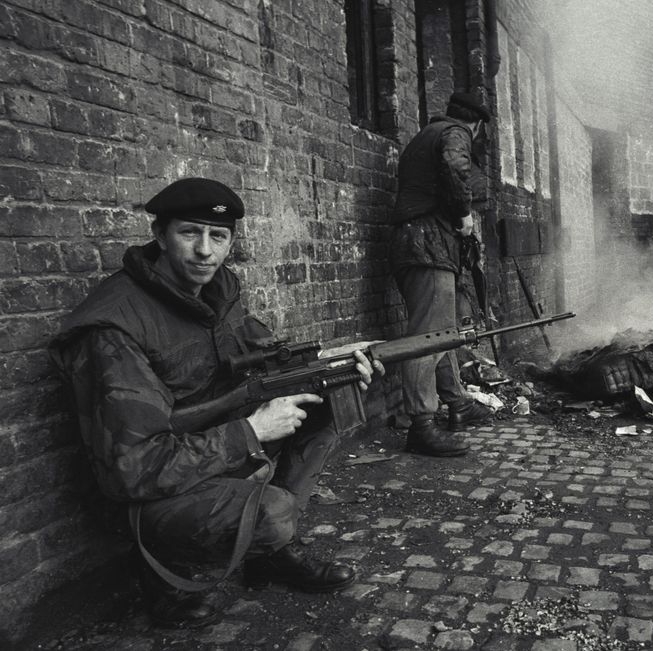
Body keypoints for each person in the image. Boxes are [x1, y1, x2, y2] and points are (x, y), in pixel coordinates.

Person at [49, 178, 384, 629]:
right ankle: (163, 581)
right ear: (159, 234)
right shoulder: (115, 327)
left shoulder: (216, 293)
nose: (205, 250)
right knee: (274, 512)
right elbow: (133, 468)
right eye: (190, 233)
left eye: (219, 236)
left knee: (324, 402)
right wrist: (251, 431)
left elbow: (263, 353)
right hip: (146, 493)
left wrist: (333, 365)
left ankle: (270, 556)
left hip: (206, 450)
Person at [389, 91, 496, 457]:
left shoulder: (426, 134)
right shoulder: (455, 134)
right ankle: (420, 426)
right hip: (427, 244)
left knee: (443, 333)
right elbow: (454, 166)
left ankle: (458, 404)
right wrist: (465, 216)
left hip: (422, 243)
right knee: (426, 338)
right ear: (476, 125)